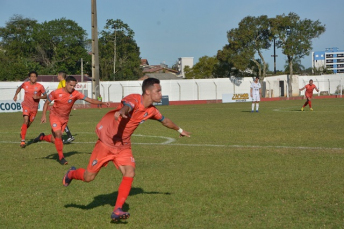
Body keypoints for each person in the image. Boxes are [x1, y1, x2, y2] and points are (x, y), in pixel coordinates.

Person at [62, 78, 191, 222]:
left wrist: (180, 129)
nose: (161, 94)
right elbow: (127, 106)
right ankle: (72, 173)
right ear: (147, 92)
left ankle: (117, 209)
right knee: (88, 177)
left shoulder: (152, 111)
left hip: (123, 146)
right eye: (158, 91)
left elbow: (165, 121)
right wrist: (122, 111)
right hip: (106, 143)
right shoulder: (135, 99)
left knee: (130, 171)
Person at [33, 76, 109, 165]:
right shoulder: (56, 92)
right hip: (54, 116)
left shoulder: (76, 94)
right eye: (70, 85)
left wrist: (102, 103)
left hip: (64, 119)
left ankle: (42, 137)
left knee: (55, 140)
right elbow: (47, 103)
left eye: (74, 86)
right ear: (66, 83)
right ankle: (61, 158)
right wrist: (43, 116)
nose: (72, 87)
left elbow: (90, 100)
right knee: (58, 134)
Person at [13, 71, 47, 148]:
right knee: (25, 120)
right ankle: (23, 141)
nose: (33, 78)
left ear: (36, 77)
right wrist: (15, 95)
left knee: (28, 123)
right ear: (29, 77)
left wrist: (38, 97)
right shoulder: (25, 84)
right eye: (31, 76)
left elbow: (46, 96)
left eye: (34, 76)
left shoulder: (40, 86)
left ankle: (23, 129)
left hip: (34, 108)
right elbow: (19, 87)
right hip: (26, 106)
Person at [57, 71, 75, 144]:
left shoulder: (63, 83)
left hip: (62, 105)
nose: (57, 77)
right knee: (60, 121)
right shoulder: (62, 83)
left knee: (60, 121)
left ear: (60, 76)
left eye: (58, 75)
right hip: (61, 104)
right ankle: (67, 136)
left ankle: (68, 136)